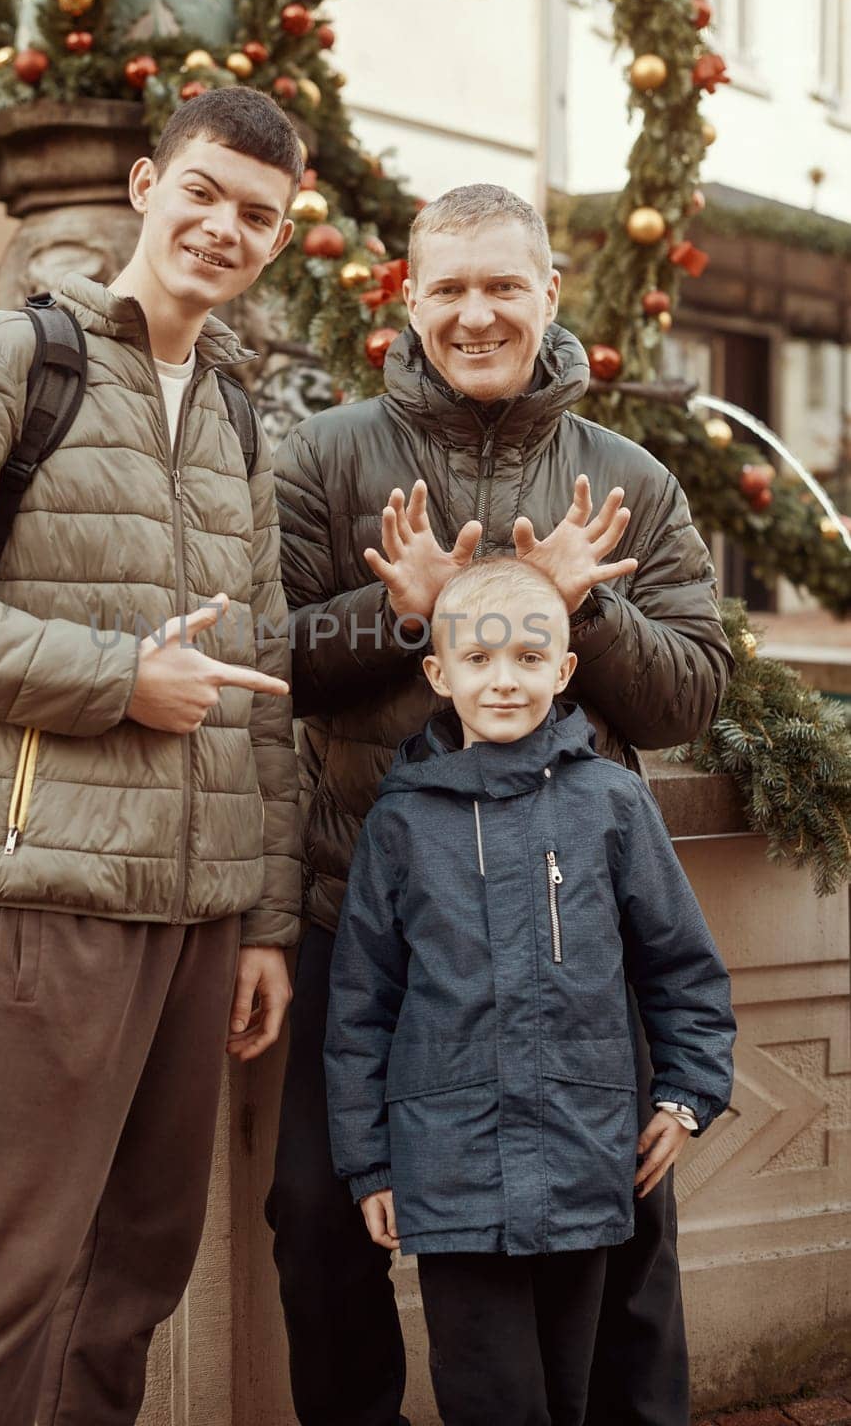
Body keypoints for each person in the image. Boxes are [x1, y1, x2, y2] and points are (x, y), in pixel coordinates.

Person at [0, 86, 303, 1426]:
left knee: (139, 1270)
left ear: (277, 241)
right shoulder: (3, 357)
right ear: (150, 186)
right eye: (204, 192)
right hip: (55, 882)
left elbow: (261, 696)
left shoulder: (240, 418)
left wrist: (266, 919)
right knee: (14, 1275)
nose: (223, 227)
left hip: (202, 909)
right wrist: (115, 680)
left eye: (255, 214)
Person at [269, 183, 735, 1426]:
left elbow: (692, 690)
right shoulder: (321, 457)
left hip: (576, 926)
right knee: (319, 1216)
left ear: (549, 293)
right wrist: (406, 615)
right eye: (449, 289)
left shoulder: (629, 475)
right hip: (363, 910)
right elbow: (268, 661)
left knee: (626, 1230)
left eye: (502, 286)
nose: (476, 314)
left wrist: (576, 604)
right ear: (406, 297)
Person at [324, 555, 736, 1426]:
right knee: (492, 1397)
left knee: (572, 1391)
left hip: (586, 1158)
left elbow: (681, 966)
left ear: (564, 669)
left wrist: (688, 1094)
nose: (503, 681)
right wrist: (369, 1164)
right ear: (439, 674)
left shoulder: (613, 804)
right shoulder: (400, 822)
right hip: (451, 1167)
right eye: (477, 660)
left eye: (526, 657)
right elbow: (361, 1007)